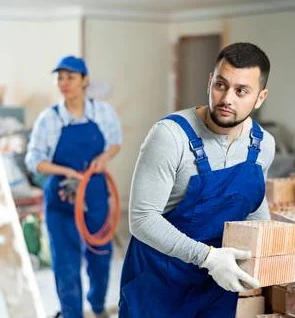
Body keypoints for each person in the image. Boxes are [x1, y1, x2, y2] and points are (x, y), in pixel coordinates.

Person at [119, 42, 275, 317]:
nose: (227, 98)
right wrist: (208, 257)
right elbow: (142, 219)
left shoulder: (262, 145)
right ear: (210, 81)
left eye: (241, 91)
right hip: (159, 285)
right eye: (221, 85)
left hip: (214, 287)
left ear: (260, 98)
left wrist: (274, 255)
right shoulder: (170, 136)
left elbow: (254, 210)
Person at [25, 55, 122, 318]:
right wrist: (66, 170)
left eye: (70, 77)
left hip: (95, 191)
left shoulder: (103, 112)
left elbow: (115, 142)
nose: (64, 83)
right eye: (60, 78)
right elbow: (33, 160)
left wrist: (103, 158)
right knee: (66, 264)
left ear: (84, 80)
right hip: (62, 196)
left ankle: (98, 306)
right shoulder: (50, 119)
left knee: (101, 255)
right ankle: (71, 314)